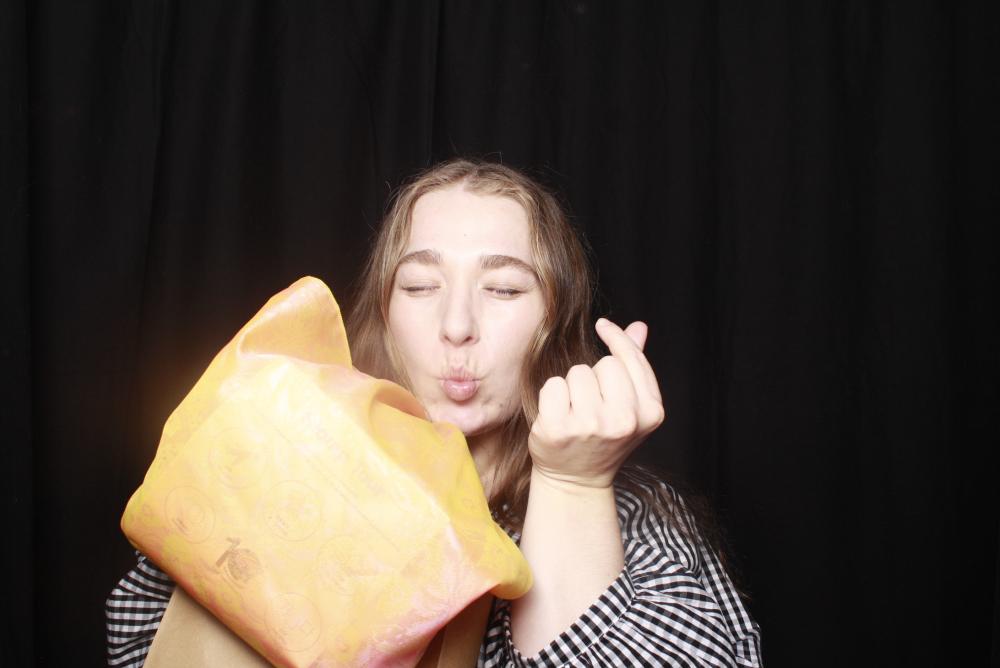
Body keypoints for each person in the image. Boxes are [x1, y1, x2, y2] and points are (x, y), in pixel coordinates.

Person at [107, 158, 762, 667]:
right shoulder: (273, 466)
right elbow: (141, 636)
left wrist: (573, 485)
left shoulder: (639, 521)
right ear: (385, 311)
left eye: (503, 288)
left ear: (557, 322)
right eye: (421, 286)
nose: (456, 325)